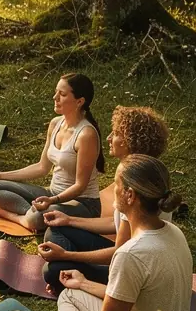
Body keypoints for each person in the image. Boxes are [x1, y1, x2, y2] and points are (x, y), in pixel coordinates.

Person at [9, 155, 192, 311]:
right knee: (72, 294)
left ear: (130, 195)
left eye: (116, 184)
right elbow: (132, 301)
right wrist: (83, 283)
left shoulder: (131, 254)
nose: (112, 189)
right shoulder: (174, 233)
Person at [39, 106, 170, 294]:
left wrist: (67, 255)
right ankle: (68, 269)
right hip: (125, 257)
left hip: (131, 271)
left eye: (116, 134)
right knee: (57, 229)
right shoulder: (142, 171)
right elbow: (115, 222)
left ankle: (71, 273)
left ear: (130, 142)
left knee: (52, 270)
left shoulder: (137, 183)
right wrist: (69, 220)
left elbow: (120, 253)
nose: (108, 138)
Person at [0, 73, 104, 233]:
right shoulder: (55, 124)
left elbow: (80, 186)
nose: (55, 97)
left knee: (38, 217)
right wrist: (0, 175)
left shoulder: (86, 135)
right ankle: (32, 216)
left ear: (79, 101)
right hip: (52, 194)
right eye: (56, 91)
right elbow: (42, 167)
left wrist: (52, 200)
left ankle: (21, 218)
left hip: (82, 204)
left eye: (62, 94)